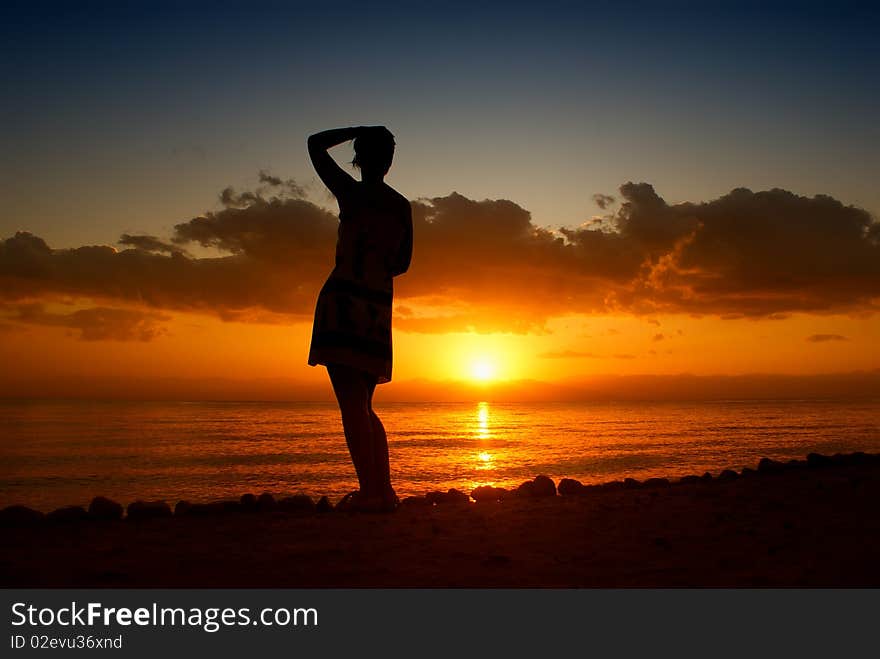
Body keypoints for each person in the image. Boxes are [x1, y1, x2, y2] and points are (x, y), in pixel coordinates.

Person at [307, 126, 413, 513]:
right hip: (376, 307)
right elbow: (402, 263)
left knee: (352, 406)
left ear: (358, 158)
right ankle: (382, 491)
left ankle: (372, 494)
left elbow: (314, 144)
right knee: (364, 405)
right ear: (389, 160)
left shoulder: (351, 193)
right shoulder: (401, 206)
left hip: (343, 302)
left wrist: (358, 130)